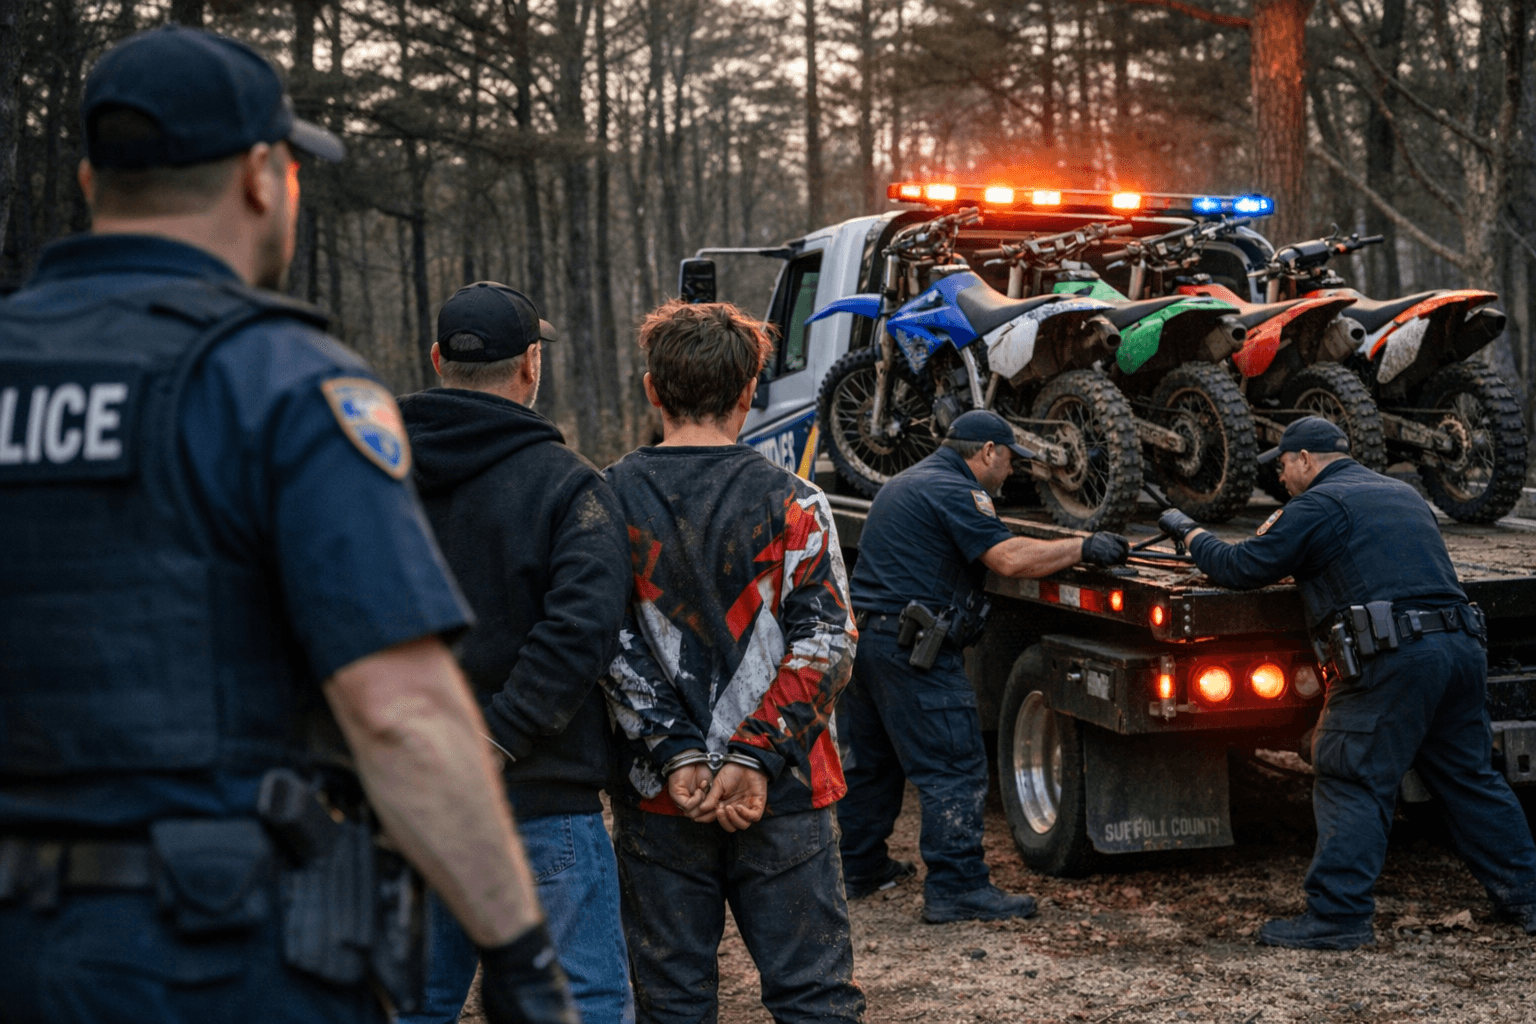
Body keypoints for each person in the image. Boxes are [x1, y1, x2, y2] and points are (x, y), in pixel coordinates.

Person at [0, 26, 575, 1024]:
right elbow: (400, 710)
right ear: (265, 177)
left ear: (94, 181)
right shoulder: (274, 383)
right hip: (210, 951)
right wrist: (519, 957)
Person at [1158, 415, 1536, 950]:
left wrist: (1189, 531)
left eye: (1284, 466)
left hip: (1394, 658)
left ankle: (1337, 918)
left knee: (1351, 775)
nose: (1282, 478)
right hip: (1460, 649)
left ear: (1307, 460)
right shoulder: (1401, 494)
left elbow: (1241, 567)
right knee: (1471, 779)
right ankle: (1528, 898)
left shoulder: (1315, 505)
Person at [602, 300, 865, 1024]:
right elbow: (829, 642)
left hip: (661, 793)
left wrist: (678, 752)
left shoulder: (605, 500)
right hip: (785, 788)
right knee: (815, 1000)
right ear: (750, 392)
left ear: (651, 389)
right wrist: (752, 757)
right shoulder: (800, 502)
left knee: (671, 1003)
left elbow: (606, 644)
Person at [397, 282, 634, 1024]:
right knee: (581, 1007)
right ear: (532, 365)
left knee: (410, 1005)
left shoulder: (368, 478)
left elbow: (336, 614)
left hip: (413, 799)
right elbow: (580, 632)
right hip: (539, 800)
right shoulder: (569, 487)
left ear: (436, 358)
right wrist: (497, 737)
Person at [837, 409, 1130, 923]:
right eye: (1011, 461)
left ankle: (858, 867)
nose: (1012, 471)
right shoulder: (957, 490)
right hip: (911, 648)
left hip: (868, 644)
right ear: (987, 452)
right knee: (953, 765)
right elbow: (1009, 559)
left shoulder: (909, 481)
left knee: (874, 761)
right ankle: (958, 887)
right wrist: (1082, 545)